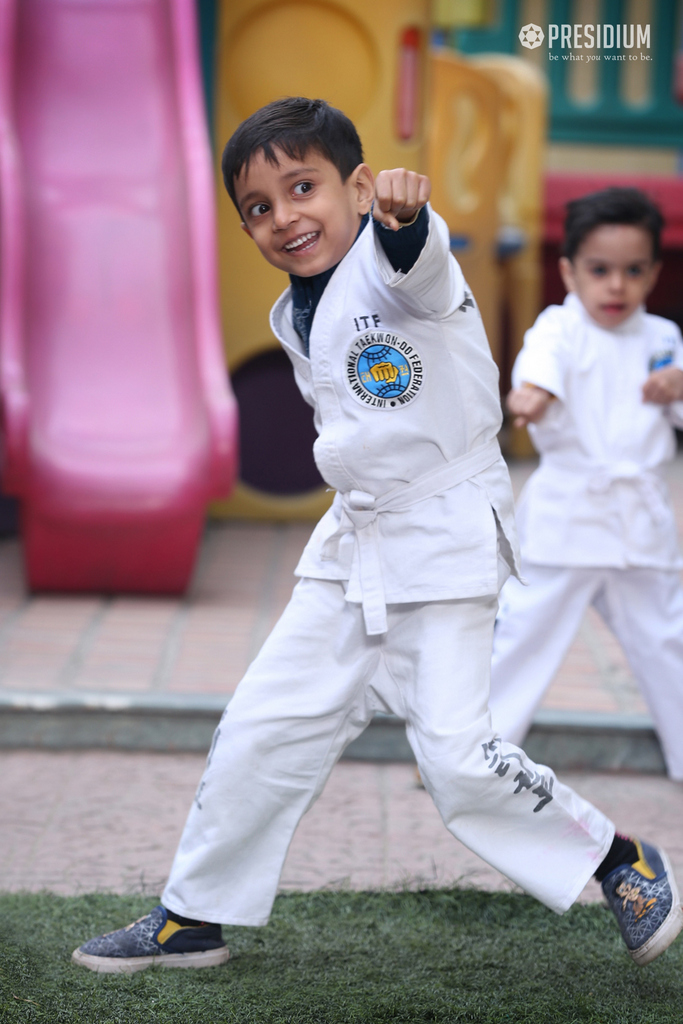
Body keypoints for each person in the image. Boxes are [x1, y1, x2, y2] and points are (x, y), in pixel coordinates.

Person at [72, 103, 682, 975]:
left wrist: (404, 218)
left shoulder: (401, 267)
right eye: (257, 207)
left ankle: (619, 861)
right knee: (260, 725)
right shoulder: (296, 311)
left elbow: (417, 260)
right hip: (354, 541)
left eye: (303, 187)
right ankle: (192, 915)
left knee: (457, 761)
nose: (283, 216)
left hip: (443, 540)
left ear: (357, 187)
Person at [489, 186, 683, 786]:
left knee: (668, 638)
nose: (616, 287)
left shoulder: (663, 339)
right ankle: (477, 753)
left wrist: (679, 387)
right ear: (569, 270)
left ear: (654, 272)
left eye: (633, 271)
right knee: (525, 634)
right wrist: (533, 395)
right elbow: (539, 373)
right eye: (600, 271)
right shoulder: (559, 328)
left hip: (639, 523)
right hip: (569, 517)